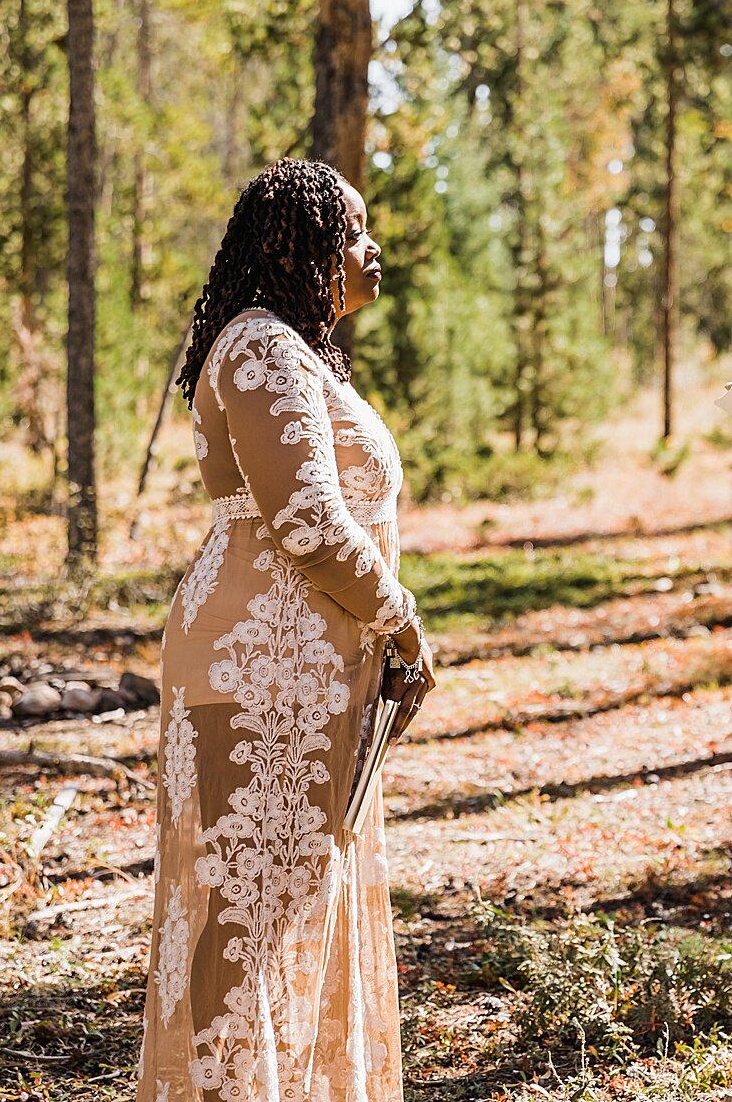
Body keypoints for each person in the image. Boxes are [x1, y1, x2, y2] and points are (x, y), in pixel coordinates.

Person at [138, 158, 435, 1102]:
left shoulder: (298, 354)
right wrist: (404, 622)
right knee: (242, 933)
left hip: (306, 681)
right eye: (353, 230)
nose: (372, 246)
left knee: (283, 921)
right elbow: (307, 520)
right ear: (295, 245)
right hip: (252, 675)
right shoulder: (261, 347)